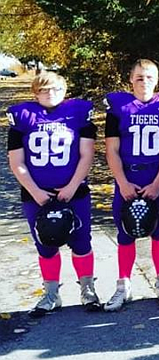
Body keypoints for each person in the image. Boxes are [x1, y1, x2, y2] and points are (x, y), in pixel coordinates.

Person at [7, 72, 100, 317]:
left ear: (65, 89)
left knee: (81, 241)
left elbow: (86, 154)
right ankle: (51, 294)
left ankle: (87, 289)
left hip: (74, 191)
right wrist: (35, 191)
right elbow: (16, 161)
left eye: (57, 88)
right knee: (45, 244)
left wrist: (71, 186)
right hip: (36, 194)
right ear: (35, 92)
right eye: (45, 89)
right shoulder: (22, 117)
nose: (51, 93)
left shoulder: (77, 113)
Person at [103, 60, 159, 311]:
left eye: (149, 77)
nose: (144, 81)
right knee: (125, 231)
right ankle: (123, 284)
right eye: (139, 77)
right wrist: (122, 182)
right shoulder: (118, 108)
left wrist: (158, 183)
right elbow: (111, 150)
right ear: (130, 80)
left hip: (156, 176)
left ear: (157, 80)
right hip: (128, 176)